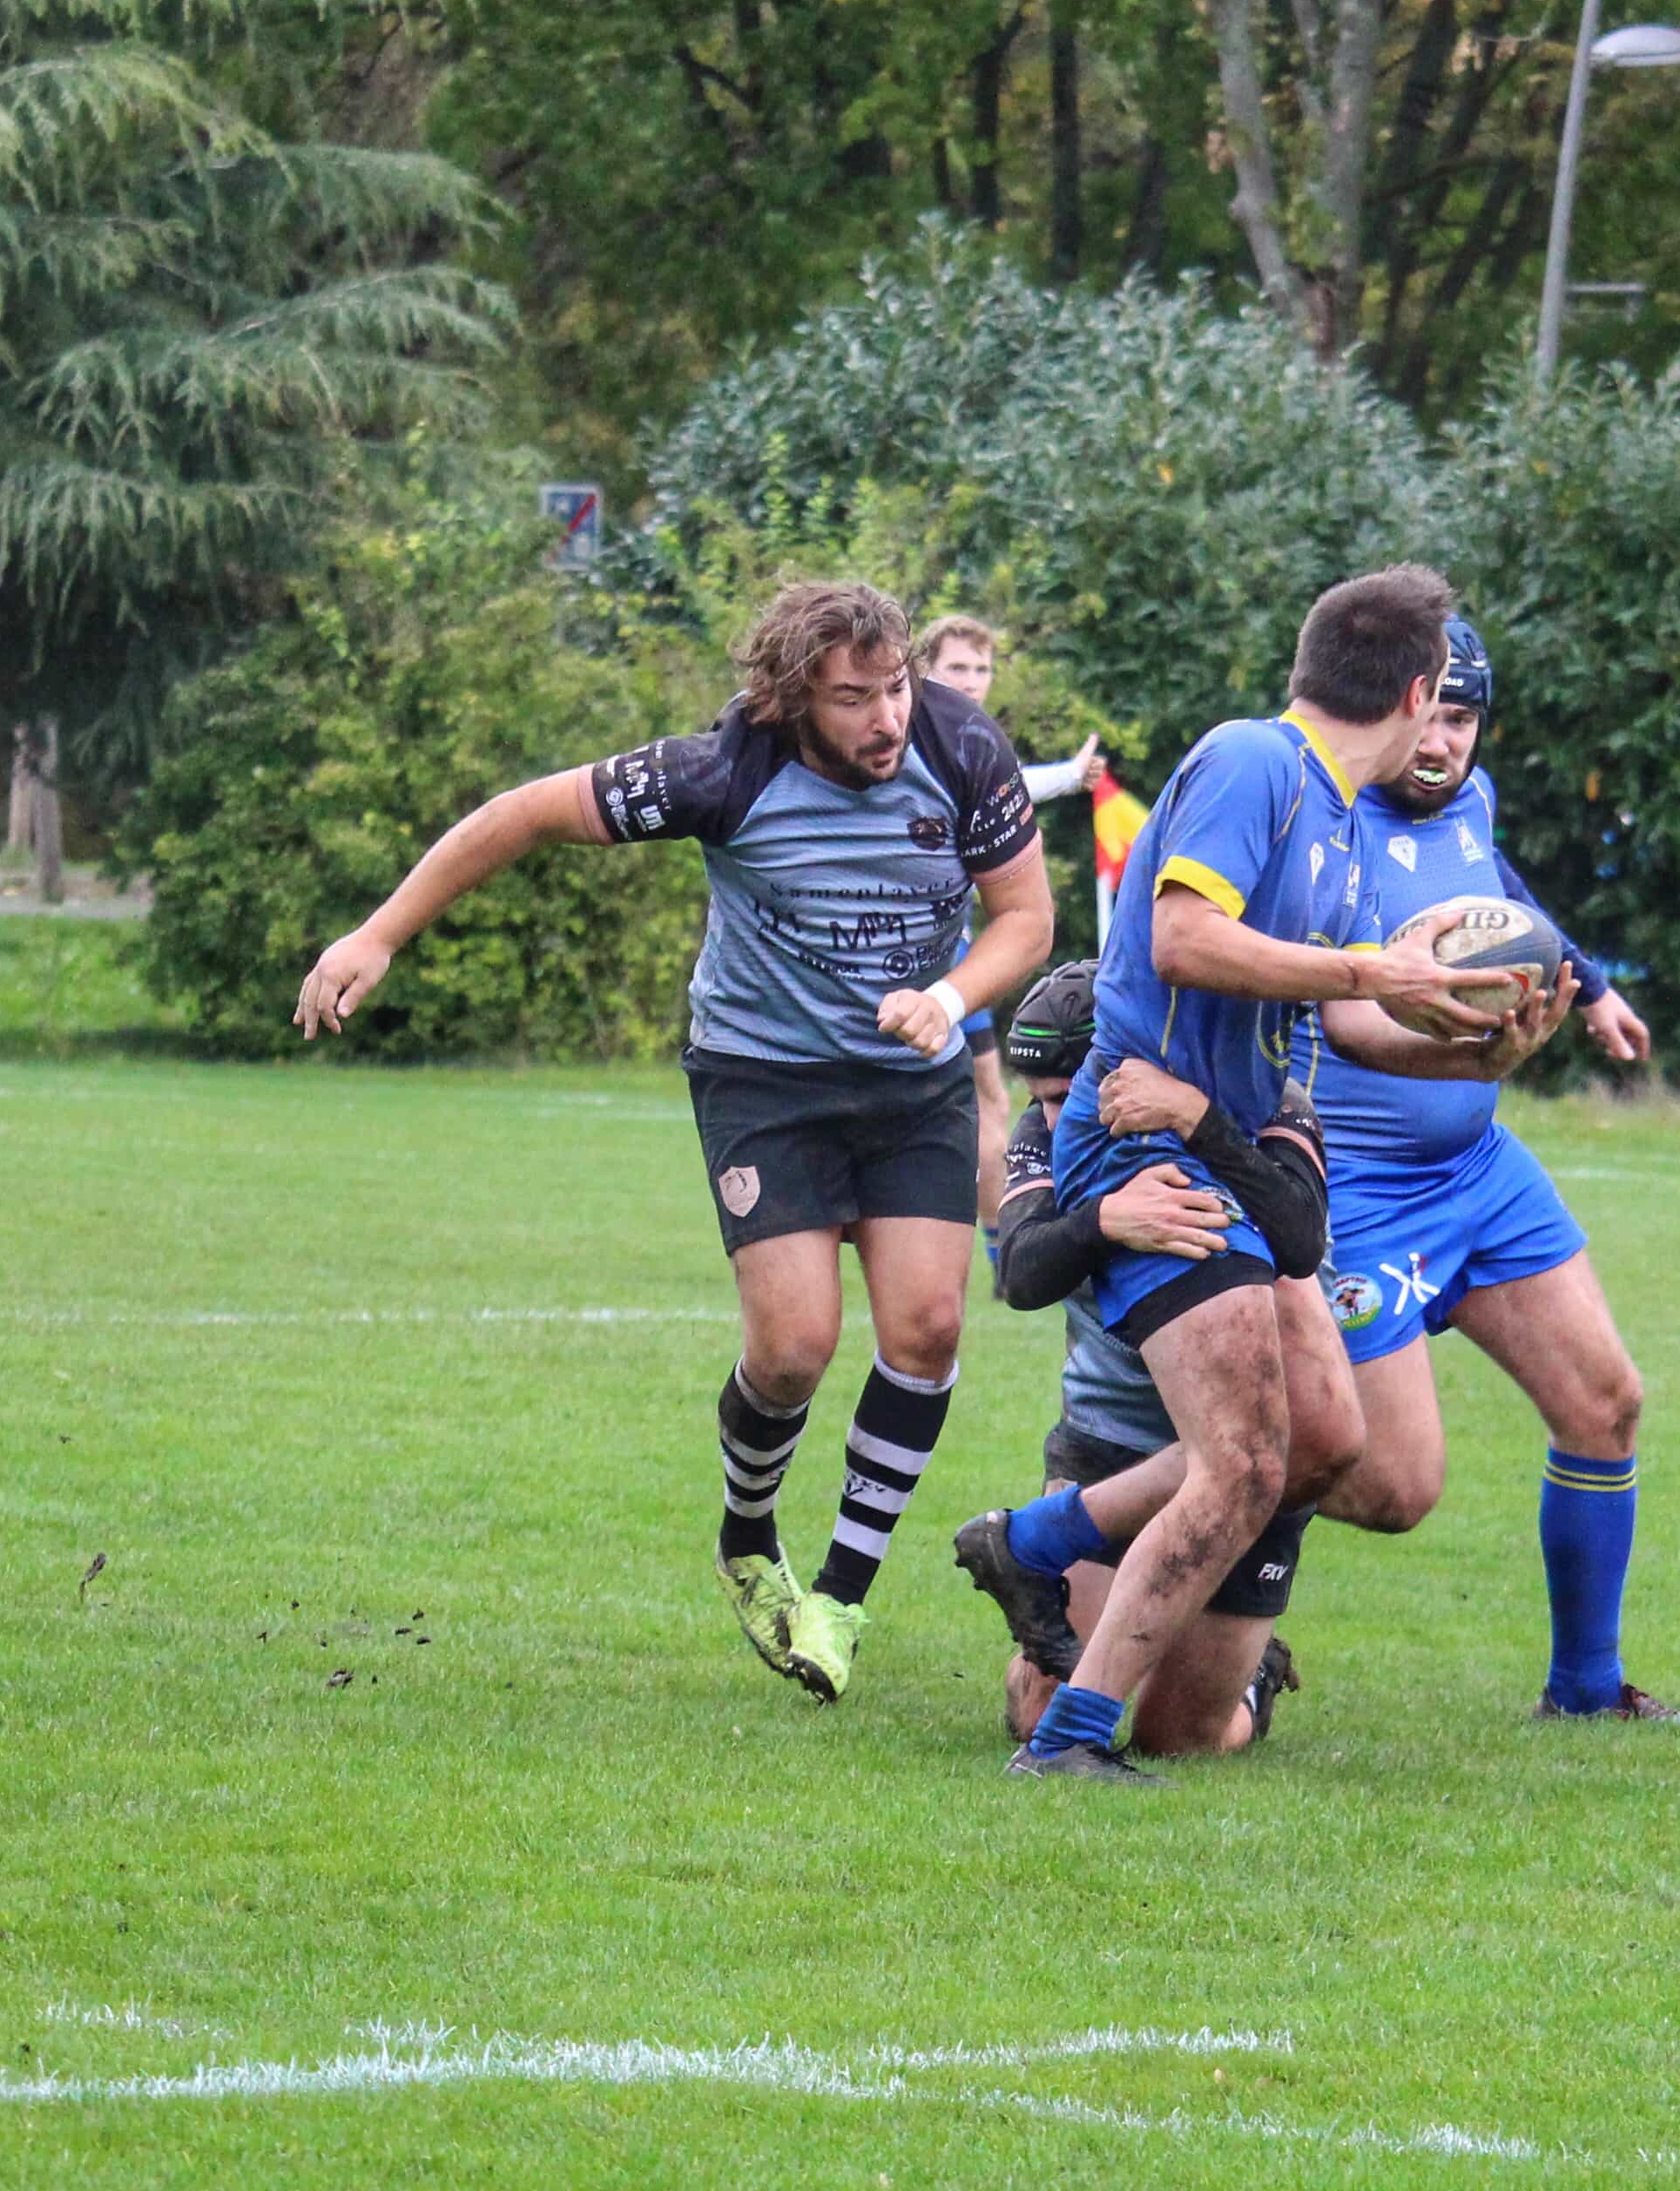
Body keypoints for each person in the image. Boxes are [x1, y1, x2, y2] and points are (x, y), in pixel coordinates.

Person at [297, 580, 1052, 1702]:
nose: (887, 717)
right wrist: (380, 932)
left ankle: (840, 1598)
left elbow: (1027, 918)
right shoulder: (721, 770)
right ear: (793, 700)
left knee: (931, 1325)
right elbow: (524, 813)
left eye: (895, 687)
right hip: (765, 1079)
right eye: (853, 699)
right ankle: (748, 1531)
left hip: (911, 1083)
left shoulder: (965, 748)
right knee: (793, 1348)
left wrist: (947, 999)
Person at [985, 566, 1533, 1780]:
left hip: (1231, 1143)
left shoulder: (1336, 811)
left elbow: (1341, 1016)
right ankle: (1068, 1739)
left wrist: (1475, 1043)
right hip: (1149, 1144)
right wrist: (1369, 969)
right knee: (1242, 1462)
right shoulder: (1255, 761)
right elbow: (1183, 937)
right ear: (1416, 692)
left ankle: (1033, 1541)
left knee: (1326, 1438)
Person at [1296, 615, 1680, 1722]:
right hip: (1356, 1188)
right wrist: (1471, 1053)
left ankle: (1586, 1693)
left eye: (1463, 720)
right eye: (1427, 717)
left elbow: (1500, 888)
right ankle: (1160, 1491)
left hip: (1477, 1169)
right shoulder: (1325, 823)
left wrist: (1591, 985)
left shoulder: (1469, 800)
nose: (1441, 743)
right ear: (1390, 707)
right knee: (1391, 1486)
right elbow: (1338, 1021)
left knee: (1605, 1403)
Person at [974, 960, 1319, 1756]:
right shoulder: (1046, 1135)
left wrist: (1205, 1134)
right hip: (1109, 1442)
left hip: (1238, 1445)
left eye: (1071, 1095)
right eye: (1042, 1099)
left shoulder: (1268, 1103)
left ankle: (1252, 1675)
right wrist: (1106, 1220)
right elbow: (1020, 1274)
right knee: (1035, 1714)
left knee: (1182, 1739)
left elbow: (1300, 1240)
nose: (1055, 1118)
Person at [911, 616, 1101, 1229]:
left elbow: (1005, 790)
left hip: (954, 955)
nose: (971, 681)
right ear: (923, 670)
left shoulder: (968, 742)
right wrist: (1068, 776)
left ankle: (1000, 1246)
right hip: (928, 956)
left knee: (984, 1098)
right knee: (979, 1099)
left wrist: (1067, 776)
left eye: (981, 668)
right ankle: (1002, 1247)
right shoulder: (925, 743)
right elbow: (1005, 791)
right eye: (957, 667)